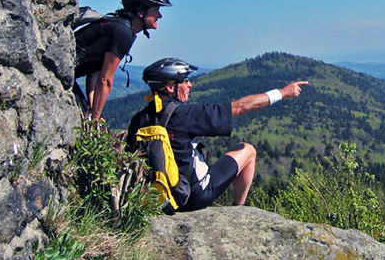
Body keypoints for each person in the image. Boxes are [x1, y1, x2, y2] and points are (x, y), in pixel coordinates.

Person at [127, 57, 308, 209]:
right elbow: (240, 107)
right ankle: (238, 210)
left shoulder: (139, 119)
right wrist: (282, 93)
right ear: (169, 87)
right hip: (194, 196)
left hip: (163, 199)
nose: (190, 84)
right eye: (184, 80)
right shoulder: (183, 114)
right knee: (248, 150)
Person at [74, 0, 172, 121]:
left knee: (84, 116)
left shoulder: (118, 26)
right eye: (156, 10)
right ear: (140, 11)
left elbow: (95, 70)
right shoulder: (123, 32)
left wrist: (92, 108)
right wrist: (95, 119)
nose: (160, 16)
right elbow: (105, 79)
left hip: (64, 74)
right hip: (60, 75)